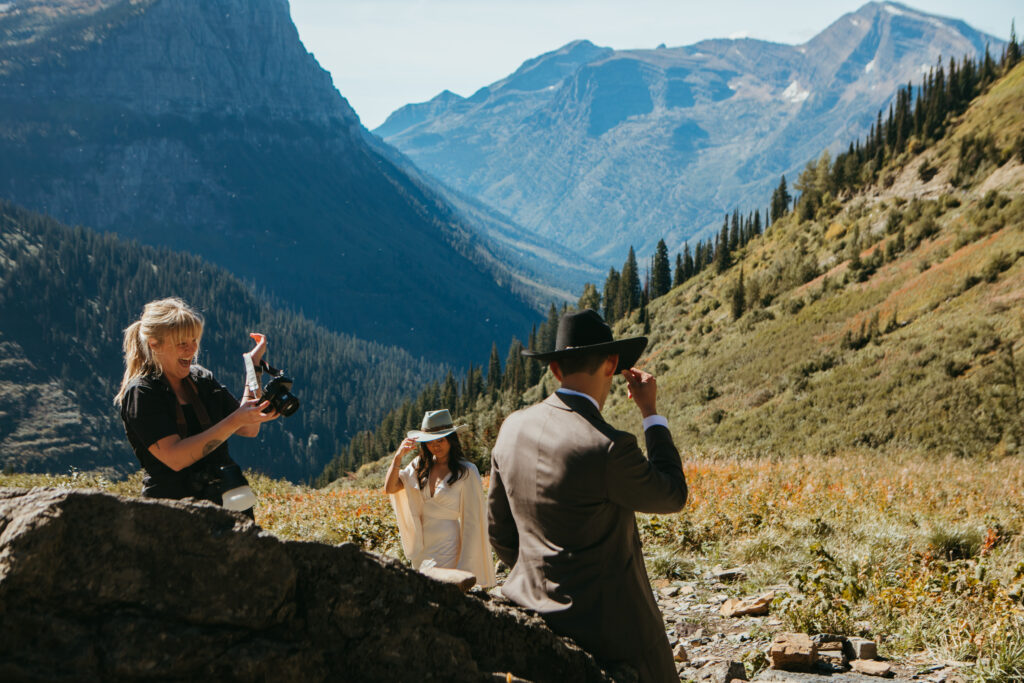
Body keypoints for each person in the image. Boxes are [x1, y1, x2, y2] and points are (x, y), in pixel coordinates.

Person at [487, 309, 687, 682]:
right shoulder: (608, 447)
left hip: (528, 612)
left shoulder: (512, 428)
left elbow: (499, 532)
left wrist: (544, 579)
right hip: (612, 636)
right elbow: (672, 494)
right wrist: (650, 413)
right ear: (612, 364)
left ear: (555, 370)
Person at [114, 297, 279, 512]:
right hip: (172, 512)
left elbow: (248, 427)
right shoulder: (142, 393)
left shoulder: (201, 379)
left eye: (194, 341)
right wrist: (235, 419)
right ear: (155, 344)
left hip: (227, 501)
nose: (191, 350)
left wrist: (253, 367)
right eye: (182, 343)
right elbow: (175, 458)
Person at [384, 409, 496, 587]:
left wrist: (465, 565)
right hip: (421, 547)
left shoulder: (466, 471)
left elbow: (473, 521)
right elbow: (390, 488)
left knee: (444, 592)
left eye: (441, 440)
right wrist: (398, 458)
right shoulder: (419, 466)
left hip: (449, 547)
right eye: (430, 441)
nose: (435, 446)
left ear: (451, 439)